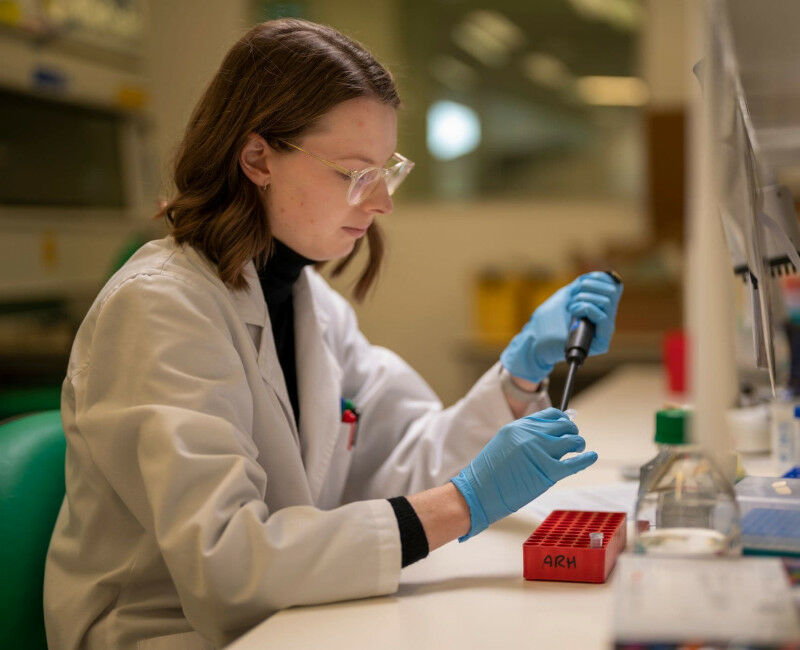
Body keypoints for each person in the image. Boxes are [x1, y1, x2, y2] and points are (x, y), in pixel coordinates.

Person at [43, 18, 623, 650]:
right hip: (165, 632)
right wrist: (464, 503)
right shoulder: (159, 309)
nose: (381, 204)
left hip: (289, 619)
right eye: (355, 172)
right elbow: (226, 565)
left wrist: (518, 378)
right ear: (258, 157)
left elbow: (404, 461)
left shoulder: (308, 301)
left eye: (387, 171)